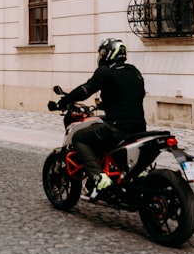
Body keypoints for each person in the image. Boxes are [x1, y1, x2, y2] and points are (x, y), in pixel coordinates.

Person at [53, 38, 146, 199]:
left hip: (117, 128)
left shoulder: (106, 71)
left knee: (79, 138)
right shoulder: (134, 71)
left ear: (109, 53)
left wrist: (63, 101)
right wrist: (105, 104)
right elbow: (130, 95)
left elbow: (85, 90)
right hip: (139, 129)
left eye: (102, 52)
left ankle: (99, 177)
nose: (101, 56)